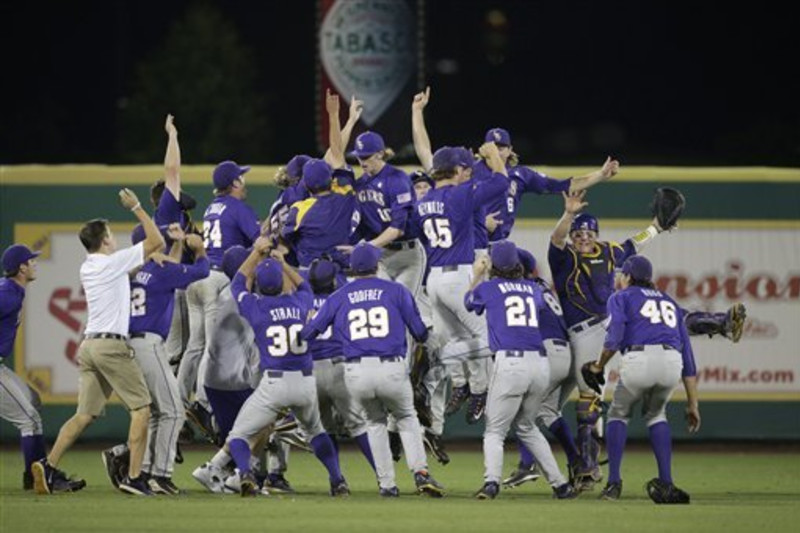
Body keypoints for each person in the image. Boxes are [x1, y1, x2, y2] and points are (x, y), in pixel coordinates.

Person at [33, 189, 165, 496]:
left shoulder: (90, 266)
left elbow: (127, 270)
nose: (114, 238)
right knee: (142, 409)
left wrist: (144, 259)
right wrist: (137, 208)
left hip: (89, 347)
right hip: (111, 347)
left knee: (84, 415)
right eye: (110, 234)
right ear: (104, 240)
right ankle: (134, 477)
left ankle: (48, 467)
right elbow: (156, 240)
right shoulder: (110, 263)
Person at [549, 189, 671, 489]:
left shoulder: (609, 250)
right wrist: (568, 215)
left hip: (597, 329)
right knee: (552, 405)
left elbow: (634, 244)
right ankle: (582, 461)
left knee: (588, 398)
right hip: (575, 336)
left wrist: (656, 227)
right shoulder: (563, 258)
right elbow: (556, 239)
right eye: (578, 234)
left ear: (596, 234)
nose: (582, 238)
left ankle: (588, 466)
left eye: (587, 233)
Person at [302, 243, 445, 498]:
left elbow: (309, 335)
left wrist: (310, 321)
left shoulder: (339, 295)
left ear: (352, 269)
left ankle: (387, 485)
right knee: (406, 417)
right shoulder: (397, 291)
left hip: (356, 373)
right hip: (390, 368)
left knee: (374, 423)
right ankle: (421, 473)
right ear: (377, 265)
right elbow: (420, 333)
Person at [226, 239, 349, 497]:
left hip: (275, 383)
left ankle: (246, 474)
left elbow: (237, 282)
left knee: (238, 435)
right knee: (316, 432)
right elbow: (304, 285)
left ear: (259, 284)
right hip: (305, 383)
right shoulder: (301, 302)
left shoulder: (255, 306)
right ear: (282, 281)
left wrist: (255, 254)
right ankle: (338, 480)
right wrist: (284, 265)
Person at [100, 225, 210, 495]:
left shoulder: (127, 273)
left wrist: (175, 246)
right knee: (172, 411)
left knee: (154, 413)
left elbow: (165, 267)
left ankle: (145, 471)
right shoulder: (160, 270)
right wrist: (198, 249)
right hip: (148, 344)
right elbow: (202, 271)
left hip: (127, 344)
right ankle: (159, 476)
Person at [465, 241, 577, 500]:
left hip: (511, 362)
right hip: (540, 364)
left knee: (495, 430)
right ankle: (561, 485)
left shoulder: (490, 288)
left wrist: (477, 274)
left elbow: (469, 302)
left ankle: (491, 483)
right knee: (527, 427)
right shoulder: (532, 289)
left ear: (494, 264)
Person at [583, 255, 700, 503]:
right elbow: (688, 357)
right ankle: (666, 482)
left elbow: (614, 337)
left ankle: (614, 484)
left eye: (621, 275)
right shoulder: (669, 301)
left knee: (618, 413)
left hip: (640, 359)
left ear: (628, 276)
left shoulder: (621, 297)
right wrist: (693, 403)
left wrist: (598, 366)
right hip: (672, 364)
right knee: (656, 415)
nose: (619, 279)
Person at [414, 143, 507, 425]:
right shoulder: (459, 194)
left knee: (451, 337)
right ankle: (478, 389)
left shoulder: (423, 201)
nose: (468, 172)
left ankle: (461, 384)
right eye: (465, 168)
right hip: (458, 275)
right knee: (487, 337)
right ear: (456, 170)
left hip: (434, 278)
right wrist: (492, 156)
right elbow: (501, 182)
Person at [179, 158, 261, 440]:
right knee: (213, 347)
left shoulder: (213, 207)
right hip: (219, 280)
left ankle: (180, 403)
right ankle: (201, 404)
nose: (244, 181)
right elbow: (259, 242)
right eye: (241, 177)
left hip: (198, 278)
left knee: (195, 346)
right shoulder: (238, 207)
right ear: (235, 183)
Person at [0, 245, 85, 493]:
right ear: (21, 268)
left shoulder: (12, 289)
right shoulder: (8, 293)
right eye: (31, 261)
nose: (35, 264)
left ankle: (37, 474)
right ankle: (39, 477)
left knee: (32, 406)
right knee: (29, 419)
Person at [502, 247, 581, 489]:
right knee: (548, 412)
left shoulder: (524, 289)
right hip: (570, 356)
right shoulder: (543, 287)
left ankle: (527, 466)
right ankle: (578, 461)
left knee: (522, 413)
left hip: (549, 354)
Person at [306, 257, 376, 472]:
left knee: (325, 428)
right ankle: (383, 475)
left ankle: (337, 480)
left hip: (310, 372)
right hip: (339, 369)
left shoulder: (301, 299)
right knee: (358, 425)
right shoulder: (342, 298)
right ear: (333, 280)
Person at [348, 129, 423, 299]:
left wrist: (367, 247)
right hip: (380, 255)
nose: (362, 161)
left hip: (408, 255)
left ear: (380, 154)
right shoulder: (360, 185)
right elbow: (362, 225)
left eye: (366, 156)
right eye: (359, 157)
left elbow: (398, 229)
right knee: (382, 304)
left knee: (403, 304)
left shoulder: (397, 179)